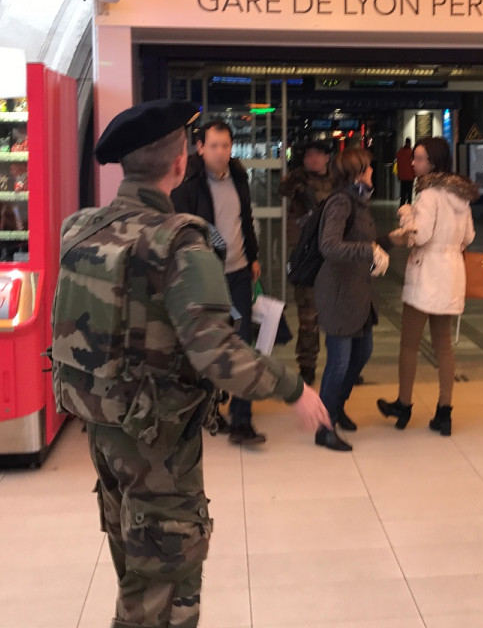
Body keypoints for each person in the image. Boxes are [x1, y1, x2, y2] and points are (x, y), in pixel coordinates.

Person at [51, 98, 330, 628]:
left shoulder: (81, 228)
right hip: (157, 440)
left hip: (103, 429)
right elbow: (218, 354)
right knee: (161, 586)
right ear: (182, 160)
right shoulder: (179, 241)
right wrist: (294, 388)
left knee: (133, 560)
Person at [171, 119, 266, 447]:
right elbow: (180, 233)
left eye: (226, 145)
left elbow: (246, 219)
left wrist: (253, 256)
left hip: (239, 275)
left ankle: (243, 421)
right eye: (214, 145)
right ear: (200, 147)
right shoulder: (187, 185)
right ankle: (209, 409)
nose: (221, 152)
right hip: (206, 279)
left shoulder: (239, 177)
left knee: (242, 347)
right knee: (208, 347)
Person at [378, 137, 478, 436]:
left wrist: (406, 212)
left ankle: (404, 405)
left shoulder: (429, 195)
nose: (413, 163)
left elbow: (419, 236)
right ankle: (444, 412)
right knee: (444, 345)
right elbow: (469, 236)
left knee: (409, 344)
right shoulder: (460, 196)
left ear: (432, 163)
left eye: (419, 159)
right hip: (451, 274)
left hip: (427, 274)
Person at [314, 148, 393, 451]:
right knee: (339, 362)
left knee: (362, 353)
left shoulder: (359, 201)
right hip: (338, 294)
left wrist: (387, 242)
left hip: (357, 292)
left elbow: (361, 241)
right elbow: (329, 246)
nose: (373, 172)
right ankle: (324, 426)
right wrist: (369, 251)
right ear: (358, 172)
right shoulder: (341, 202)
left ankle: (337, 406)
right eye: (369, 168)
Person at [278, 141, 334, 386]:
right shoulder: (299, 182)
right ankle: (307, 365)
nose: (312, 159)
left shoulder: (338, 181)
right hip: (307, 258)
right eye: (308, 155)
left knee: (336, 315)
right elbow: (284, 189)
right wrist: (294, 179)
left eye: (317, 155)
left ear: (327, 158)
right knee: (308, 316)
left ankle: (339, 363)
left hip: (333, 256)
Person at [396, 137, 415, 206]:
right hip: (410, 177)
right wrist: (414, 175)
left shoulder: (400, 152)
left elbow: (398, 165)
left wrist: (399, 175)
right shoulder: (412, 152)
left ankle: (401, 206)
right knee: (409, 194)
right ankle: (408, 207)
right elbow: (413, 165)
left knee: (402, 194)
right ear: (410, 143)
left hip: (402, 177)